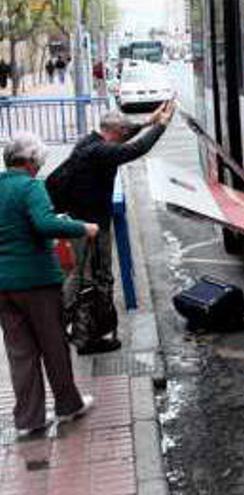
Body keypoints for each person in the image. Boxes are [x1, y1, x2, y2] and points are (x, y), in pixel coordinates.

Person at [0, 133, 98, 437]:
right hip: (37, 281)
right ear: (31, 162)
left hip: (3, 286)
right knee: (53, 345)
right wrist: (83, 227)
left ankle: (30, 419)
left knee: (20, 353)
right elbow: (44, 225)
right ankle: (68, 406)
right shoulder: (31, 187)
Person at [58, 102, 176, 355]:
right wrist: (162, 126)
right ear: (115, 131)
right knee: (94, 278)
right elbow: (136, 148)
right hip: (91, 227)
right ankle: (84, 334)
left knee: (83, 275)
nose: (125, 135)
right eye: (123, 132)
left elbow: (124, 138)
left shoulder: (90, 142)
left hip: (80, 220)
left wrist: (148, 121)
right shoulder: (102, 152)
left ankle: (67, 327)